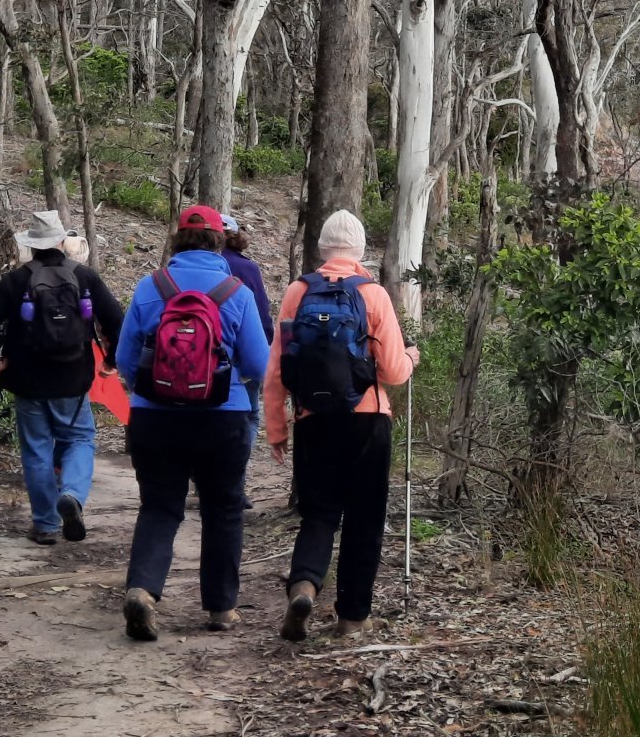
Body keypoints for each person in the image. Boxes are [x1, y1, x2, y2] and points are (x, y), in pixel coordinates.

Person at [115, 205, 269, 640]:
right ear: (220, 241)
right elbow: (259, 363)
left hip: (153, 417)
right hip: (223, 419)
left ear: (176, 240)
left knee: (160, 508)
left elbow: (125, 360)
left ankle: (143, 590)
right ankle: (221, 608)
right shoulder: (235, 292)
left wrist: (158, 383)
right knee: (223, 510)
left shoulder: (151, 287)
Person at [265, 209, 418, 641]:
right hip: (367, 420)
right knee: (364, 518)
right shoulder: (373, 294)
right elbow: (391, 371)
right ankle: (352, 616)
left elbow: (276, 367)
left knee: (318, 513)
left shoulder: (297, 292)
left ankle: (304, 586)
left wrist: (277, 428)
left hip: (313, 420)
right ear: (360, 250)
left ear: (323, 249)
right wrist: (411, 357)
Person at [0, 210, 125, 546]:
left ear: (33, 246)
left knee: (37, 449)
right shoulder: (84, 277)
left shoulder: (15, 281)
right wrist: (112, 361)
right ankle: (71, 494)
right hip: (73, 378)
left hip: (27, 380)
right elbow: (116, 320)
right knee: (80, 440)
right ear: (60, 242)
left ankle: (45, 524)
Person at [221, 215, 273, 505]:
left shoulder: (175, 270)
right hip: (238, 362)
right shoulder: (247, 268)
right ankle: (234, 483)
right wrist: (265, 349)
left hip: (186, 364)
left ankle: (203, 479)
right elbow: (262, 315)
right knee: (249, 416)